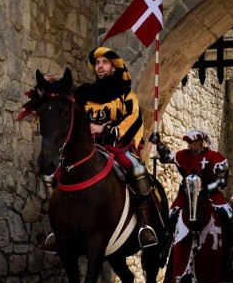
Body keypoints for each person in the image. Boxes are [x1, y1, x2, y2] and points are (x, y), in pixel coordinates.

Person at [40, 47, 158, 253]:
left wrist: (105, 128)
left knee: (137, 169)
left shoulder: (125, 94)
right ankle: (56, 230)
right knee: (51, 176)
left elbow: (134, 119)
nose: (100, 66)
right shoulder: (84, 93)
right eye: (98, 63)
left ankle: (145, 225)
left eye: (104, 62)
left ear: (114, 67)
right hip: (86, 147)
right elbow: (64, 103)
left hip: (115, 145)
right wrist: (52, 85)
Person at [149, 129, 233, 259]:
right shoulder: (185, 155)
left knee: (229, 214)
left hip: (210, 193)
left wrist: (202, 190)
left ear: (200, 142)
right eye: (188, 143)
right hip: (186, 194)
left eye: (192, 143)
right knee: (170, 216)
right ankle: (164, 249)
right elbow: (167, 157)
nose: (189, 146)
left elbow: (221, 181)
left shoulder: (215, 157)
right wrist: (158, 143)